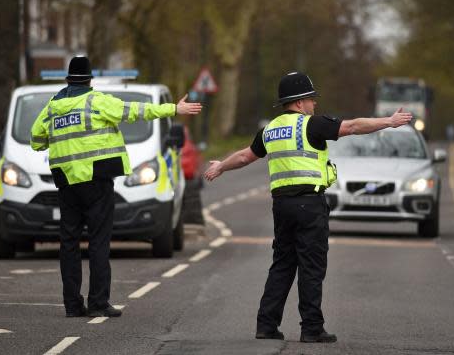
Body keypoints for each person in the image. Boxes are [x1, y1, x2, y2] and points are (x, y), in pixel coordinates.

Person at [204, 72, 412, 342]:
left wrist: (220, 166)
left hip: (282, 206)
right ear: (300, 102)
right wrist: (389, 121)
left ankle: (266, 325)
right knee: (311, 266)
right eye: (312, 99)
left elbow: (245, 156)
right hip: (310, 204)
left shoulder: (269, 129)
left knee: (282, 264)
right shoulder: (311, 125)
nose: (315, 104)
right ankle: (311, 328)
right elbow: (352, 127)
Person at [30, 56, 202, 318]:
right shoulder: (96, 101)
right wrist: (172, 109)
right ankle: (98, 302)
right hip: (96, 183)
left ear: (68, 79)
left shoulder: (52, 107)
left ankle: (72, 305)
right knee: (99, 241)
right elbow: (135, 111)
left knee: (69, 243)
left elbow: (35, 139)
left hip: (67, 184)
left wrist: (55, 142)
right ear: (89, 79)